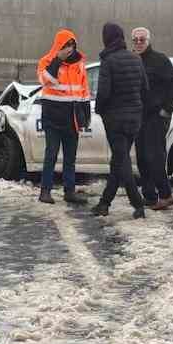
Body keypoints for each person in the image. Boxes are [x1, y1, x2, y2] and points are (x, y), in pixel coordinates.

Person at [91, 22, 147, 219]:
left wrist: (99, 110)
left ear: (107, 38)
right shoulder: (136, 59)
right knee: (119, 160)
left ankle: (138, 204)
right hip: (134, 119)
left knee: (122, 161)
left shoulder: (109, 61)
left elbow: (104, 92)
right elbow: (144, 89)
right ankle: (104, 203)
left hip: (115, 120)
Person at [35, 29, 91, 205]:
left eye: (72, 45)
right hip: (53, 116)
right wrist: (58, 59)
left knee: (70, 158)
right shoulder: (46, 61)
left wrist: (86, 115)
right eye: (66, 45)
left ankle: (69, 191)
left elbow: (84, 90)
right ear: (58, 45)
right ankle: (45, 191)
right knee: (51, 154)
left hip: (72, 117)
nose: (69, 49)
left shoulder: (79, 64)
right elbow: (46, 80)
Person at [130, 26, 173, 210]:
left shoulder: (159, 60)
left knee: (155, 156)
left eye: (142, 39)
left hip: (156, 117)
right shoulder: (133, 60)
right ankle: (150, 196)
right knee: (142, 157)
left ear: (149, 40)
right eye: (135, 40)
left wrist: (167, 108)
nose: (139, 43)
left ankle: (166, 195)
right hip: (139, 116)